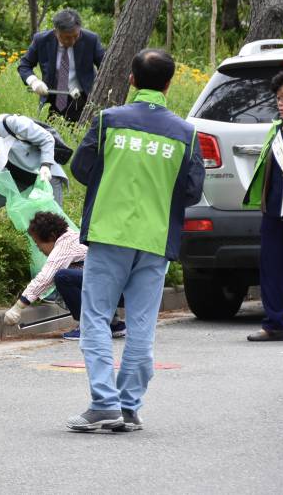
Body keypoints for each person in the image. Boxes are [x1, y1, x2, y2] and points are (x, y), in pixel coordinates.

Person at [67, 49, 204, 433]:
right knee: (142, 324)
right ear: (169, 83)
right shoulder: (186, 133)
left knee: (95, 317)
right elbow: (192, 191)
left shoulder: (109, 121)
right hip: (156, 239)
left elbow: (80, 167)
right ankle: (128, 407)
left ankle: (103, 403)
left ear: (131, 79)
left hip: (110, 233)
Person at [3, 212, 125, 340]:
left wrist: (18, 307)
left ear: (52, 236)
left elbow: (45, 278)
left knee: (63, 277)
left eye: (38, 243)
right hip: (121, 289)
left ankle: (88, 327)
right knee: (80, 272)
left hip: (114, 289)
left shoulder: (64, 246)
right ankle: (114, 324)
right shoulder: (74, 237)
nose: (38, 248)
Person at [242, 67, 283, 342]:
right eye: (278, 98)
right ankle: (274, 324)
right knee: (272, 267)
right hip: (274, 210)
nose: (280, 103)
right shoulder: (276, 128)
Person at [18, 8, 105, 122]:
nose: (72, 41)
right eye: (67, 38)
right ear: (56, 32)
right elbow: (24, 65)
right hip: (52, 100)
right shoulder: (41, 40)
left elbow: (105, 66)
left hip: (83, 100)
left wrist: (100, 92)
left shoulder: (91, 39)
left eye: (75, 36)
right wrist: (34, 81)